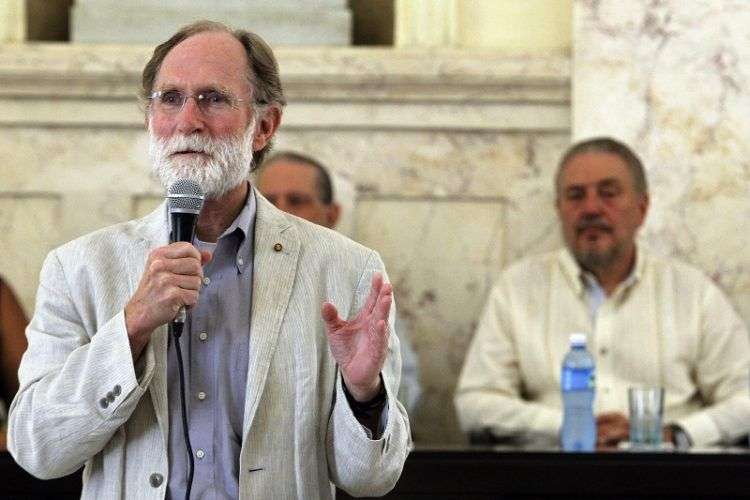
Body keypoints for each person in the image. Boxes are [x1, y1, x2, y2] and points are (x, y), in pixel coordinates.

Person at [8, 21, 410, 499]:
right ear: (149, 119)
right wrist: (131, 328)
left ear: (264, 127)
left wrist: (364, 395)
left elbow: (370, 480)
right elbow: (38, 450)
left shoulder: (347, 269)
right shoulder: (79, 268)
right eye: (170, 98)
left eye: (214, 99)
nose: (188, 120)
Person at [455, 137, 750, 449]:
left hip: (668, 476)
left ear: (642, 207)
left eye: (608, 194)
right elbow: (476, 403)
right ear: (559, 209)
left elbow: (745, 397)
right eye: (576, 196)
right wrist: (570, 426)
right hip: (552, 478)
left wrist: (676, 433)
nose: (591, 208)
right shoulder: (517, 288)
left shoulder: (692, 292)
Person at [257, 151, 422, 414]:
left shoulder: (360, 279)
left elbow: (405, 392)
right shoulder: (233, 275)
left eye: (297, 201)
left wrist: (365, 387)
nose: (280, 212)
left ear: (332, 214)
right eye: (268, 201)